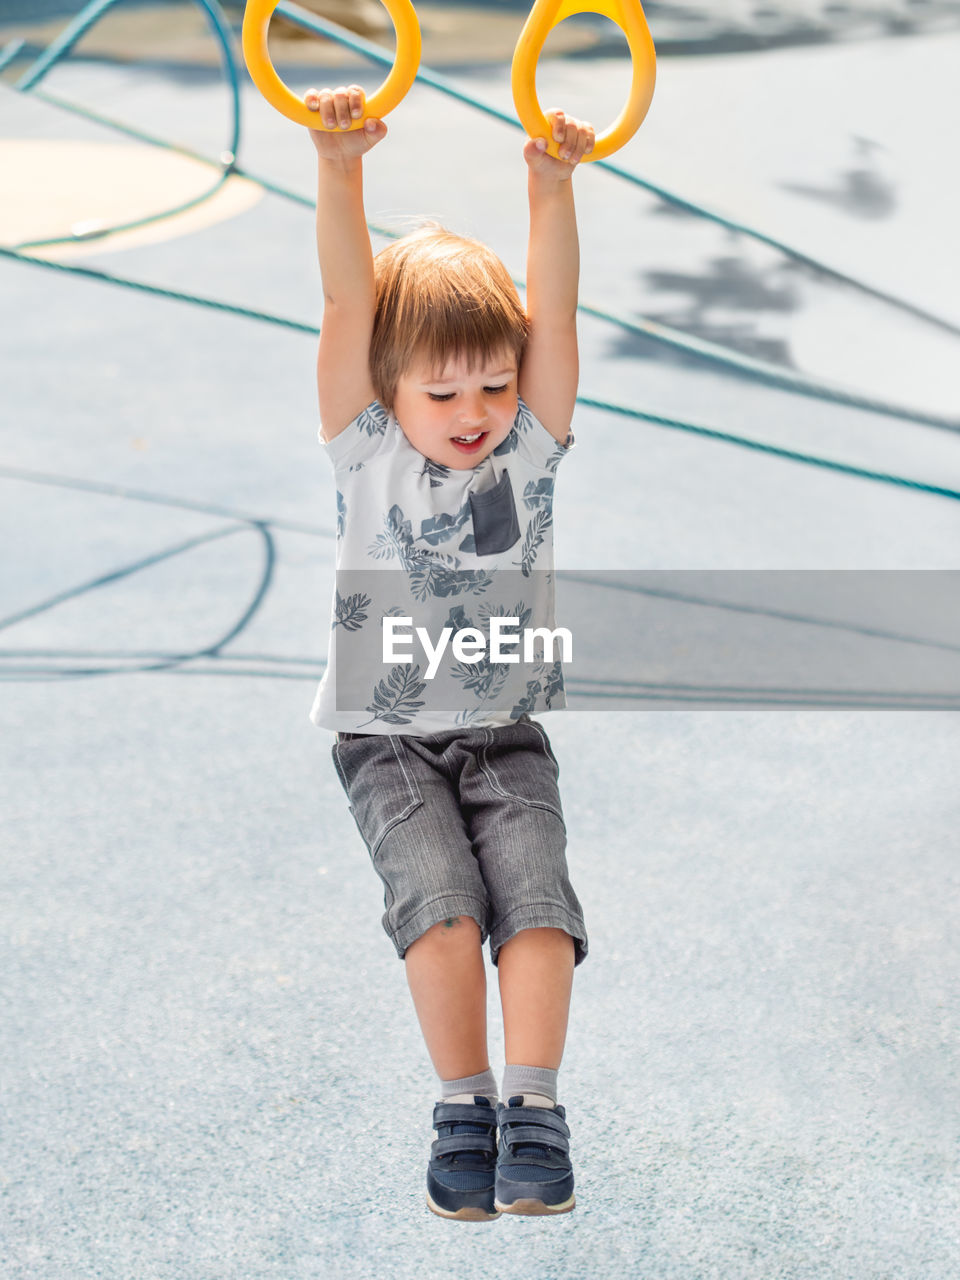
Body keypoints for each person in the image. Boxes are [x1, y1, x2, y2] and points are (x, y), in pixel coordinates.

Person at [305, 82, 593, 1221]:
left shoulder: (526, 452)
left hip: (504, 730)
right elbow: (342, 306)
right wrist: (339, 173)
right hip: (387, 740)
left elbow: (556, 322)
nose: (473, 406)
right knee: (443, 907)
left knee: (537, 909)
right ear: (388, 388)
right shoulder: (366, 451)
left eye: (494, 380)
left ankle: (535, 1105)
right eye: (441, 388)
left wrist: (552, 189)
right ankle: (462, 1103)